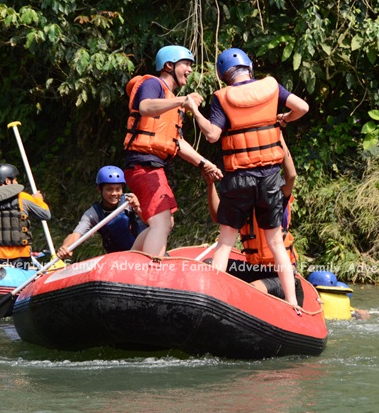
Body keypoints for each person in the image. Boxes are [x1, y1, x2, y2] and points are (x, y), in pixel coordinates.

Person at [192, 47, 309, 307]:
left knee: (225, 241)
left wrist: (194, 111)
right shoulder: (271, 87)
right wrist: (285, 118)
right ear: (249, 67)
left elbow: (212, 135)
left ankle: (212, 298)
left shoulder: (221, 97)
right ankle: (293, 303)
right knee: (276, 242)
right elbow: (302, 107)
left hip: (239, 177)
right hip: (269, 176)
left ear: (224, 75)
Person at [123, 44, 222, 257]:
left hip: (152, 166)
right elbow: (145, 107)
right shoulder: (153, 83)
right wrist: (183, 100)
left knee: (165, 221)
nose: (190, 69)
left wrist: (204, 163)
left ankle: (130, 260)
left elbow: (177, 142)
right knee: (161, 221)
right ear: (169, 65)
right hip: (143, 164)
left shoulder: (172, 103)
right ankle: (152, 268)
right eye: (186, 64)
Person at [203, 134, 302, 305]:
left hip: (278, 273)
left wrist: (278, 136)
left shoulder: (275, 198)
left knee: (254, 289)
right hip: (252, 268)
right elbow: (217, 216)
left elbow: (291, 175)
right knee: (207, 264)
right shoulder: (241, 203)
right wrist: (210, 184)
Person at [57, 166, 147, 259]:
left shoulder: (130, 201)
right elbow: (76, 234)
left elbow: (150, 222)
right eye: (109, 189)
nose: (114, 193)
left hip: (145, 252)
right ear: (99, 189)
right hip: (119, 260)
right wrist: (66, 247)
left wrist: (137, 208)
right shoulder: (93, 213)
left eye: (118, 189)